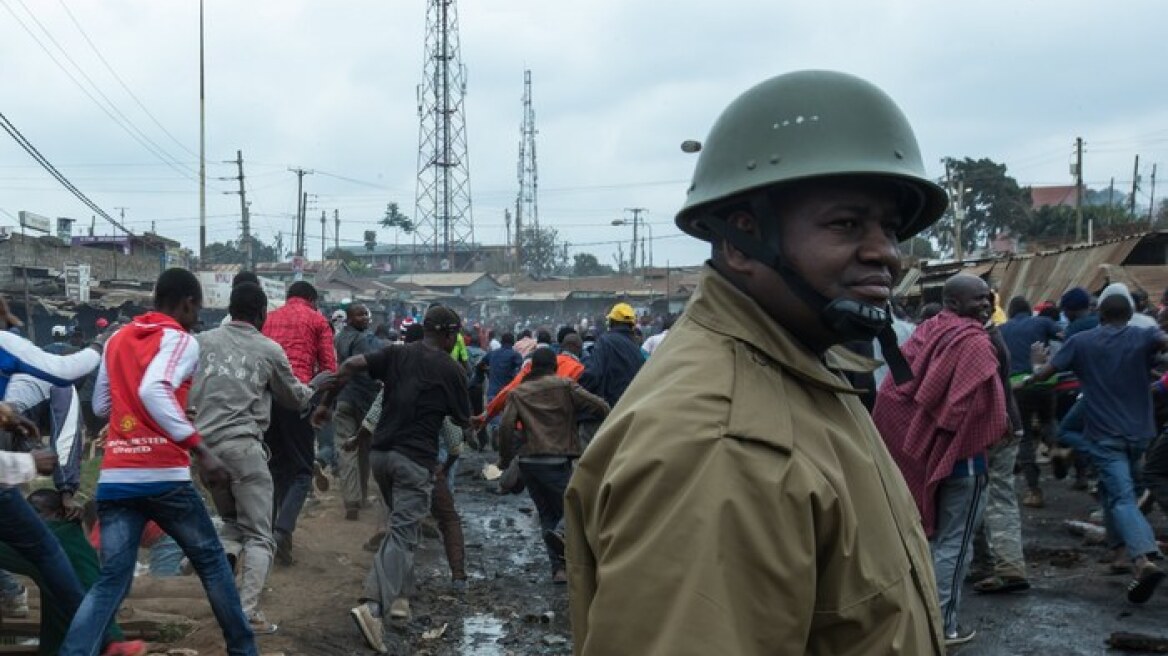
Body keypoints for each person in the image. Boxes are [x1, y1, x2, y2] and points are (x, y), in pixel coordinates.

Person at [566, 70, 950, 655]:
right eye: (846, 223)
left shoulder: (803, 373)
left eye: (891, 227)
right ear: (741, 242)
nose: (886, 254)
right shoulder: (723, 446)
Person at [60, 268, 257, 656]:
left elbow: (101, 405)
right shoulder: (182, 340)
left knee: (111, 580)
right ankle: (244, 650)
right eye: (196, 309)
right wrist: (200, 448)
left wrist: (132, 415)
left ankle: (73, 652)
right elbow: (154, 388)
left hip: (116, 478)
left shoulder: (116, 339)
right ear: (186, 303)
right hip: (165, 477)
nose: (197, 318)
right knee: (213, 562)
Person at [313, 306, 471, 655]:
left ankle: (401, 600)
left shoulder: (397, 353)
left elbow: (352, 366)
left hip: (382, 457)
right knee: (403, 531)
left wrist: (326, 402)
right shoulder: (453, 370)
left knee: (401, 528)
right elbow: (463, 420)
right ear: (450, 335)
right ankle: (372, 606)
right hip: (415, 461)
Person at [874, 275, 1007, 645]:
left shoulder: (927, 331)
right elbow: (980, 408)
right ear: (954, 300)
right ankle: (941, 627)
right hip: (963, 461)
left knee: (933, 543)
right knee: (954, 545)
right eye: (979, 299)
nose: (986, 304)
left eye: (988, 297)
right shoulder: (975, 342)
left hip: (928, 455)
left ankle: (924, 619)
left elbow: (893, 392)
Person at [191, 282, 317, 635]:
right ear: (262, 314)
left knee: (232, 523)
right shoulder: (268, 349)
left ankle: (227, 556)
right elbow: (294, 398)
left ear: (230, 309)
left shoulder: (201, 342)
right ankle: (246, 615)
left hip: (205, 452)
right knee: (261, 536)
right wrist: (316, 385)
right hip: (244, 450)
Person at [1029, 293, 1168, 603]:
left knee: (1121, 497)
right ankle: (1118, 553)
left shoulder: (1082, 342)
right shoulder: (1144, 335)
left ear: (1100, 314)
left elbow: (1042, 376)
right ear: (1130, 313)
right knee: (1112, 490)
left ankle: (1142, 559)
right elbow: (1162, 341)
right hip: (1140, 434)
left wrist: (1036, 364)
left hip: (1105, 434)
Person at [498, 348, 609, 584]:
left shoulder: (518, 393)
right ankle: (565, 546)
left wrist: (505, 459)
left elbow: (505, 428)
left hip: (528, 462)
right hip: (557, 459)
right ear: (554, 367)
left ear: (531, 368)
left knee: (547, 514)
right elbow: (599, 405)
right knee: (572, 508)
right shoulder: (565, 386)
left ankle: (559, 570)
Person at [261, 281, 337, 566]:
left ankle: (272, 539)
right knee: (303, 471)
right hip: (300, 398)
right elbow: (330, 370)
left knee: (275, 468)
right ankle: (280, 534)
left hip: (267, 400)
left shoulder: (269, 318)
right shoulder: (318, 320)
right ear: (313, 300)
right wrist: (326, 405)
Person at [999, 295, 1062, 508]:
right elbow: (1064, 335)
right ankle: (1056, 449)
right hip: (1045, 379)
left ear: (1010, 311)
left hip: (1017, 386)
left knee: (1024, 434)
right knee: (1049, 420)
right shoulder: (1043, 322)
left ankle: (1034, 490)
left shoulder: (1002, 329)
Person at [332, 303, 381, 521]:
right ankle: (358, 497)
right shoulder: (365, 340)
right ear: (350, 319)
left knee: (346, 449)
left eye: (366, 313)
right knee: (363, 448)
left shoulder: (339, 338)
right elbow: (369, 369)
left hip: (342, 397)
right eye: (360, 314)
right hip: (363, 400)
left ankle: (352, 499)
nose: (365, 317)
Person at [580, 303, 644, 407]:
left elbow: (592, 374)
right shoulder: (636, 348)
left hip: (610, 408)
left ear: (611, 322)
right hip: (631, 406)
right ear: (632, 325)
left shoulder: (605, 341)